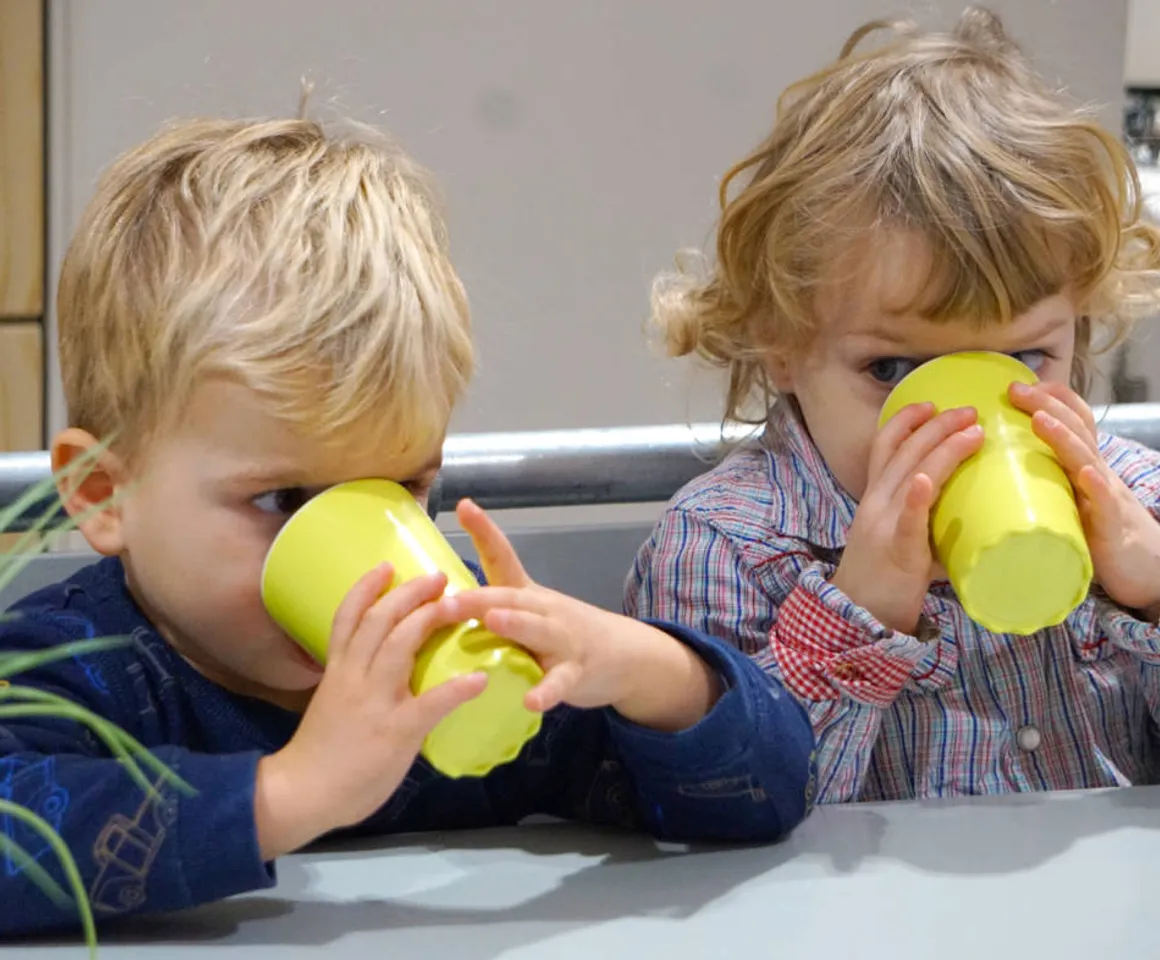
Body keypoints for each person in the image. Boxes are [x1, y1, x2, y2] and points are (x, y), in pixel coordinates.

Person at [0, 116, 814, 937]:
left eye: (399, 488)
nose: (364, 570)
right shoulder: (69, 669)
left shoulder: (460, 660)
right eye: (285, 501)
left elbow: (765, 796)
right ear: (106, 493)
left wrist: (654, 675)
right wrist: (285, 794)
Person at [626, 7, 1160, 804]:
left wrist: (1150, 595)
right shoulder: (724, 549)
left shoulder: (1138, 501)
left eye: (1023, 359)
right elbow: (709, 815)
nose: (967, 426)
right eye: (895, 368)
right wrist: (857, 616)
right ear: (780, 339)